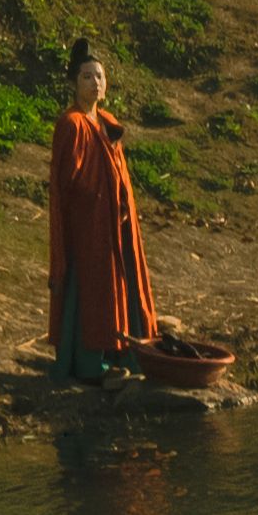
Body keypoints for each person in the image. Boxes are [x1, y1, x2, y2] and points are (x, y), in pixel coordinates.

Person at [44, 38, 156, 386]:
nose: (95, 83)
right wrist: (96, 202)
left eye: (99, 77)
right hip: (89, 226)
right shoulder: (72, 124)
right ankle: (90, 365)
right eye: (87, 77)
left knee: (118, 285)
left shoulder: (106, 122)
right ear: (74, 84)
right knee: (92, 289)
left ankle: (121, 353)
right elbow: (67, 181)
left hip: (114, 223)